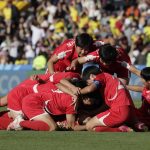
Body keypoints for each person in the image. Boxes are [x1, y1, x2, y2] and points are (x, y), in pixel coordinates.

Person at [80, 66, 148, 132]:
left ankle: (122, 129)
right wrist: (92, 113)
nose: (88, 84)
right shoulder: (110, 80)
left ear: (92, 76)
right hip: (131, 112)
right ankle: (137, 125)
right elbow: (107, 105)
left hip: (119, 111)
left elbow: (90, 89)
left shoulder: (101, 76)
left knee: (89, 126)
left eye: (87, 82)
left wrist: (77, 92)